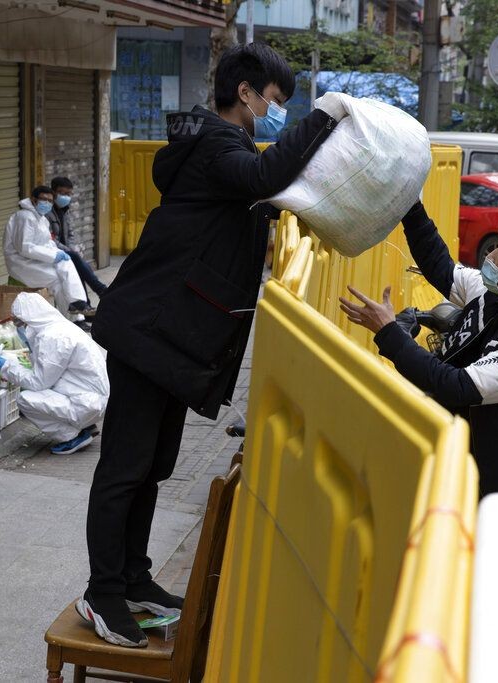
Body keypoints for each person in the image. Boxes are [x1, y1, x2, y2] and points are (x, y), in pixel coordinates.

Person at [80, 42, 342, 648]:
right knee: (125, 468)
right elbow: (266, 175)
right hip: (151, 331)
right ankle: (102, 593)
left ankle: (135, 577)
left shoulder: (224, 149)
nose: (279, 113)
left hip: (173, 335)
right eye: (276, 102)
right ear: (244, 93)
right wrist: (324, 117)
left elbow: (263, 192)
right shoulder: (218, 148)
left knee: (153, 467)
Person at [340, 202, 498, 499]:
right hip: (461, 465)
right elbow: (442, 268)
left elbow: (457, 385)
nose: (490, 257)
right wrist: (411, 208)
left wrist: (389, 333)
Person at [0, 293, 108, 455]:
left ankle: (72, 436)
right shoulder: (59, 327)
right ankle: (85, 425)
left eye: (19, 322)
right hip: (90, 399)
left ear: (30, 319)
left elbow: (38, 382)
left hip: (86, 404)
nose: (19, 327)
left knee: (26, 399)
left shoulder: (52, 337)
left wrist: (6, 367)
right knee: (42, 390)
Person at [4, 186, 92, 319]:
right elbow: (24, 247)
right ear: (34, 200)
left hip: (36, 260)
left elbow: (47, 243)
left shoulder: (42, 219)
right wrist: (53, 255)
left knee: (66, 262)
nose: (47, 203)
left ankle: (77, 306)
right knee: (57, 279)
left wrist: (57, 253)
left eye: (50, 201)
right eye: (44, 200)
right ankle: (75, 316)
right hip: (21, 263)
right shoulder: (24, 217)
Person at [47, 176, 108, 298]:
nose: (65, 197)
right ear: (53, 192)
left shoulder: (66, 211)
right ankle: (99, 289)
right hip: (51, 251)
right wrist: (68, 250)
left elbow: (70, 234)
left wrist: (71, 248)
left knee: (77, 264)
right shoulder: (47, 213)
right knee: (75, 259)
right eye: (61, 193)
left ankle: (86, 305)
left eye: (68, 194)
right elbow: (50, 239)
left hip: (65, 250)